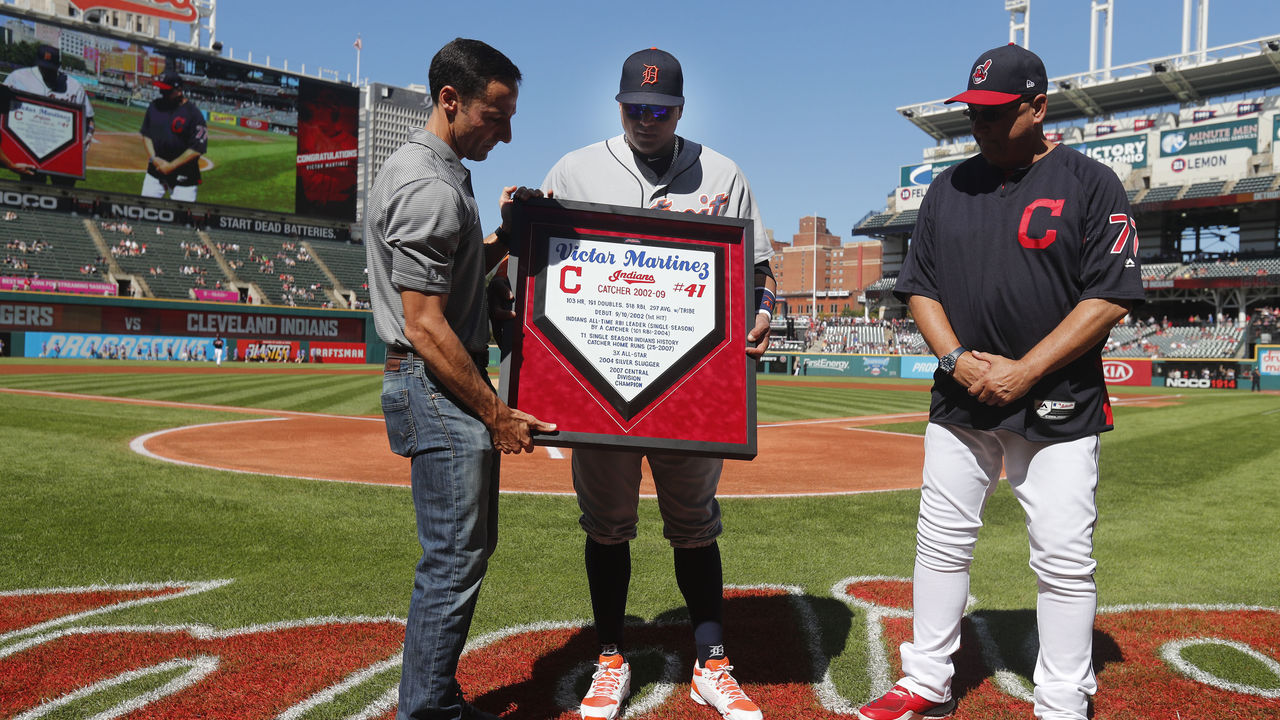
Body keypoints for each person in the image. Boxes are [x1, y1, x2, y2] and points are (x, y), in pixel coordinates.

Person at [856, 44, 1144, 720]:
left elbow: (1109, 296)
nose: (978, 124)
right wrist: (957, 358)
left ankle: (1064, 697)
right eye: (972, 112)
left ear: (1037, 107)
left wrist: (1026, 370)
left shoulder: (1090, 181)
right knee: (942, 539)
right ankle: (927, 681)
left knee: (1064, 556)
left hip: (1059, 398)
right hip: (961, 394)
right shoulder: (949, 186)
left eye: (994, 112)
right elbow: (919, 288)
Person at [540, 47, 776, 720]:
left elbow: (760, 274)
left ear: (680, 109)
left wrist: (761, 315)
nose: (647, 119)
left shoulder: (723, 172)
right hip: (598, 385)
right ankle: (610, 658)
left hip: (693, 389)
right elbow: (539, 276)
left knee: (694, 526)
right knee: (608, 526)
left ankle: (711, 661)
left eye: (661, 109)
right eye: (636, 108)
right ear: (618, 105)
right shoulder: (574, 168)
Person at [364, 38, 554, 720]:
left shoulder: (438, 171)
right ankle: (426, 710)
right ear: (451, 101)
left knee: (461, 553)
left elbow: (455, 273)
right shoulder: (431, 184)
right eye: (496, 116)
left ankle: (432, 699)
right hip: (437, 383)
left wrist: (503, 234)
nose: (506, 133)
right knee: (452, 558)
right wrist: (496, 413)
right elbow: (425, 324)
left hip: (435, 382)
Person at [3, 44, 94, 186]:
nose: (46, 70)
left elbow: (89, 119)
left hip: (62, 155)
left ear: (59, 66)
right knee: (31, 192)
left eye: (50, 68)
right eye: (43, 66)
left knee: (64, 193)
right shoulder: (18, 78)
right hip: (27, 151)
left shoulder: (74, 86)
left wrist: (87, 136)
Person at [139, 69, 207, 202]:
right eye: (162, 89)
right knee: (144, 211)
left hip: (184, 178)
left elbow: (196, 149)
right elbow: (147, 135)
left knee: (181, 218)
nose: (162, 93)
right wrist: (154, 159)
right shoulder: (155, 106)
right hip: (155, 172)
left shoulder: (194, 114)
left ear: (179, 91)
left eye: (167, 90)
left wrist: (170, 166)